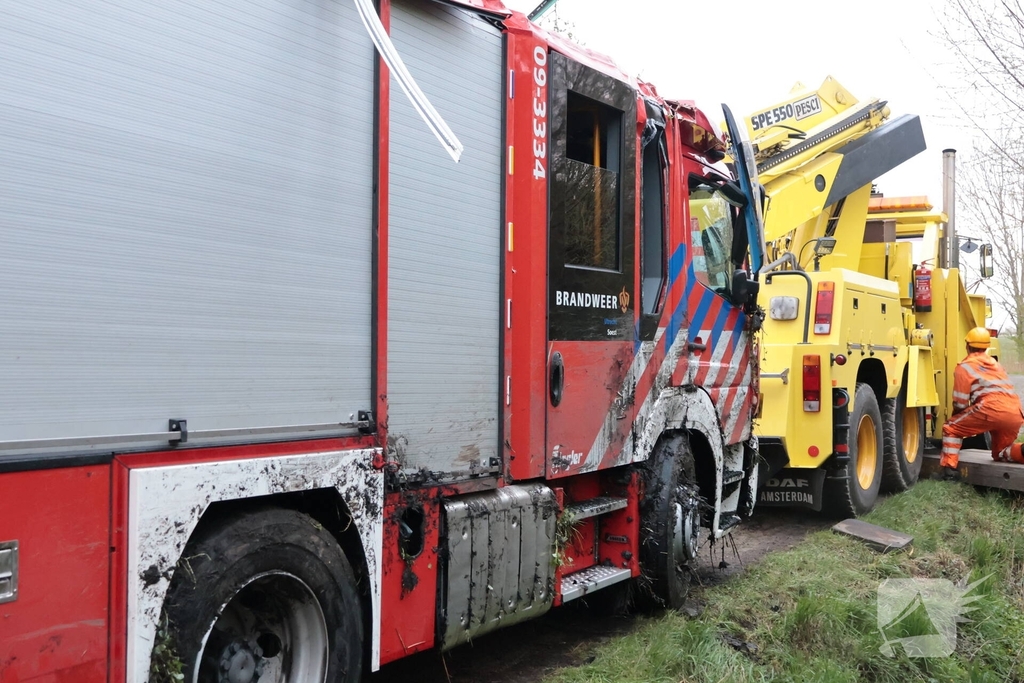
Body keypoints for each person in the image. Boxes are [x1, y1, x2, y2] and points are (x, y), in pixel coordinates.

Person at [939, 327, 1024, 478]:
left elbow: (960, 403)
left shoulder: (964, 367)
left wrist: (957, 421)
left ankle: (949, 472)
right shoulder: (995, 364)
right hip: (1015, 413)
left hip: (991, 408)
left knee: (951, 428)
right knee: (1000, 453)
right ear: (986, 346)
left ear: (967, 345)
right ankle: (1022, 450)